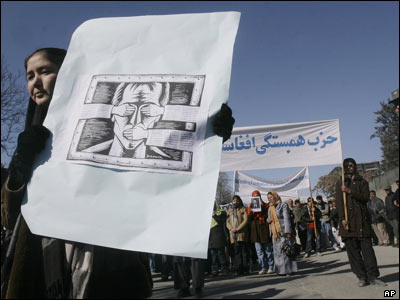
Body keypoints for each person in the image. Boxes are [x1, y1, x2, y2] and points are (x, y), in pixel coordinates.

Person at [1, 47, 235, 299]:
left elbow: (165, 184)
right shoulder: (32, 139)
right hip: (45, 269)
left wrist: (209, 132)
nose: (36, 81)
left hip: (109, 266)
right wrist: (19, 171)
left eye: (45, 71)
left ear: (68, 72)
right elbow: (11, 217)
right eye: (29, 75)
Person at [336, 158, 387, 287]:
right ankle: (362, 277)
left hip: (362, 222)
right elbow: (339, 203)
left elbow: (365, 197)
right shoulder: (340, 183)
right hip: (348, 223)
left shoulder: (362, 182)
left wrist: (349, 191)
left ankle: (373, 276)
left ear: (355, 167)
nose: (349, 167)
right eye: (347, 165)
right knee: (353, 254)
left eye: (352, 165)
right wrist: (342, 218)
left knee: (368, 251)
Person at [267, 191, 298, 276]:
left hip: (283, 231)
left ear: (275, 196)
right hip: (275, 232)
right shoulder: (270, 208)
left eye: (271, 197)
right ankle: (280, 270)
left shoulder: (283, 205)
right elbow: (268, 218)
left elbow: (286, 218)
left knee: (286, 251)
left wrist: (288, 232)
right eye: (268, 198)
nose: (270, 199)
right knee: (278, 252)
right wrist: (268, 220)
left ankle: (288, 270)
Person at [246, 190, 274, 275]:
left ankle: (271, 266)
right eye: (254, 196)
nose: (256, 197)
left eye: (257, 195)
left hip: (264, 228)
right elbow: (248, 219)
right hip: (255, 230)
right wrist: (250, 209)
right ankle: (263, 267)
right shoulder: (250, 207)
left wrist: (263, 206)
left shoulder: (265, 205)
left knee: (268, 250)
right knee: (259, 251)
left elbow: (268, 214)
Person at [226, 195, 249, 276]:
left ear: (239, 201)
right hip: (233, 234)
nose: (235, 202)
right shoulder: (230, 210)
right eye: (234, 201)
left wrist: (238, 228)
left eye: (237, 200)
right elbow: (227, 222)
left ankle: (245, 268)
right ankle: (238, 269)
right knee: (236, 252)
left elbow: (245, 220)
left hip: (241, 233)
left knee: (243, 251)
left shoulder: (243, 209)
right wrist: (231, 228)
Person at [208, 202, 229, 276]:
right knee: (213, 255)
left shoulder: (221, 212)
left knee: (221, 253)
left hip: (218, 235)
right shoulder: (207, 212)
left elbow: (221, 221)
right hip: (211, 236)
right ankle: (214, 270)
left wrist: (214, 215)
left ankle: (224, 268)